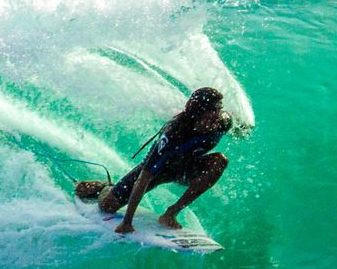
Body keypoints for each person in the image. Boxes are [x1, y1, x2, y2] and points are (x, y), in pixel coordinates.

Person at [85, 87, 242, 234]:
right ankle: (105, 187)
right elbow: (144, 177)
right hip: (159, 171)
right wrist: (127, 222)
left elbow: (235, 125)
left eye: (220, 109)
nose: (218, 114)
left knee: (219, 160)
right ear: (199, 112)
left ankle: (171, 214)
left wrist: (242, 129)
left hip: (187, 168)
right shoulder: (175, 132)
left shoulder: (222, 122)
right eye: (214, 110)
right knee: (107, 206)